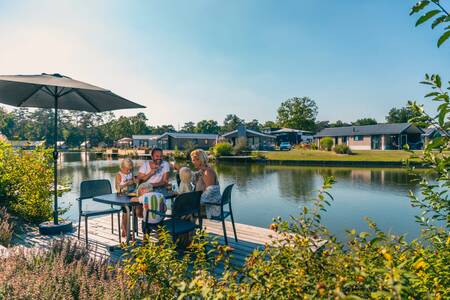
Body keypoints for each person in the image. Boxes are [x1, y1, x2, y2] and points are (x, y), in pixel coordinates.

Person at [190, 149, 221, 218]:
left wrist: (193, 201)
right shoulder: (202, 171)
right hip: (202, 204)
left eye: (195, 160)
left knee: (182, 210)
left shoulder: (208, 172)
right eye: (193, 160)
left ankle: (189, 227)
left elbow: (209, 194)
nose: (193, 162)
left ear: (201, 159)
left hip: (208, 208)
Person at [115, 158, 138, 238]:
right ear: (122, 167)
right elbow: (118, 188)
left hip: (131, 195)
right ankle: (126, 231)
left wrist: (135, 181)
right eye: (127, 170)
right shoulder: (119, 175)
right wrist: (127, 183)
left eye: (130, 170)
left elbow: (134, 184)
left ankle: (126, 229)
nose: (129, 171)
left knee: (131, 210)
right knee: (126, 212)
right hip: (122, 196)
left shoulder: (130, 173)